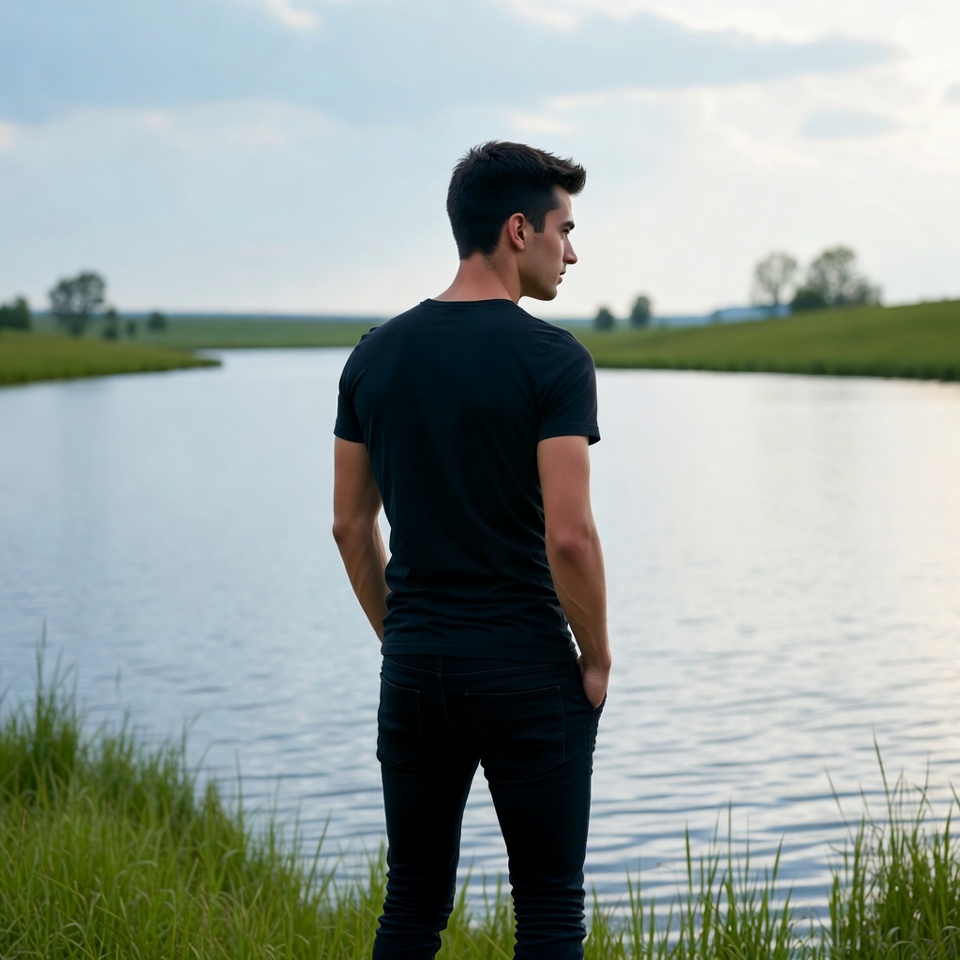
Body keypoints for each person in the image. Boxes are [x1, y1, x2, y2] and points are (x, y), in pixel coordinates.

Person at [332, 140, 610, 960]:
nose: (572, 250)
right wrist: (595, 657)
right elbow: (570, 535)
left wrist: (405, 636)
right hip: (527, 667)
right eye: (565, 228)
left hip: (417, 668)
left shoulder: (373, 355)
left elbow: (350, 528)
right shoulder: (554, 360)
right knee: (550, 912)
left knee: (411, 904)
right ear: (518, 230)